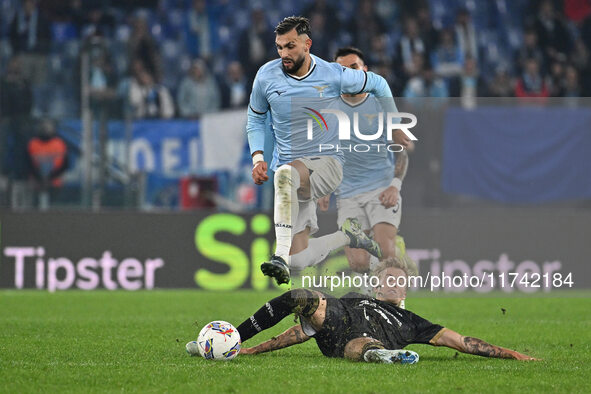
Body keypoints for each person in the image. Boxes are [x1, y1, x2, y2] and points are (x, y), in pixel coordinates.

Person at [247, 16, 399, 285]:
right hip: (292, 171)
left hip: (327, 162)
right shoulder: (266, 76)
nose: (284, 53)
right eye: (279, 47)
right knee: (299, 260)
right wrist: (257, 156)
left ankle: (278, 254)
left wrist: (394, 122)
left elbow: (378, 83)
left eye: (290, 46)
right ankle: (347, 236)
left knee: (284, 176)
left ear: (307, 44)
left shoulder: (331, 74)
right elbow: (256, 118)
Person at [236, 257, 539, 363]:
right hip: (336, 320)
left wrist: (513, 354)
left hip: (360, 341)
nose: (394, 284)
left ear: (405, 291)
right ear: (376, 287)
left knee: (364, 344)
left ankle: (384, 356)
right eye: (388, 280)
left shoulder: (412, 321)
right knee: (298, 296)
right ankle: (235, 337)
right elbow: (301, 331)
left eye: (400, 281)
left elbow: (461, 342)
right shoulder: (354, 298)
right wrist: (253, 350)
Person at [291, 47, 416, 295]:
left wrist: (395, 185)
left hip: (381, 189)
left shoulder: (380, 104)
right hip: (347, 193)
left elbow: (403, 149)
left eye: (354, 67)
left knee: (386, 250)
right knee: (358, 264)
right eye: (342, 69)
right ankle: (376, 289)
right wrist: (323, 187)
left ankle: (389, 306)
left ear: (365, 71)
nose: (348, 73)